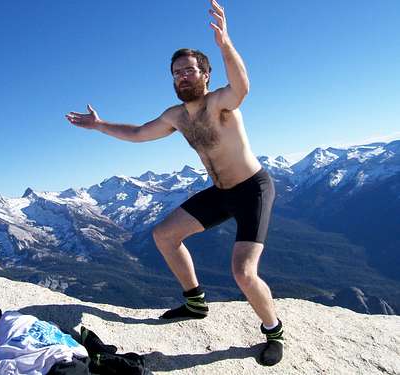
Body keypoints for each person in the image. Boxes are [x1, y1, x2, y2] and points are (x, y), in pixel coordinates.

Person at [66, 0, 283, 367]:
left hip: (251, 189)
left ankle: (274, 330)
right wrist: (100, 125)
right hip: (221, 192)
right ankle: (195, 302)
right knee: (164, 235)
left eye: (189, 70)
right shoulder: (176, 116)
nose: (182, 76)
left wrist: (225, 43)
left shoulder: (221, 104)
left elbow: (242, 86)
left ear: (205, 75)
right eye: (176, 72)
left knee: (243, 272)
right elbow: (137, 133)